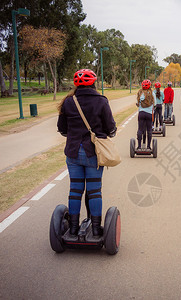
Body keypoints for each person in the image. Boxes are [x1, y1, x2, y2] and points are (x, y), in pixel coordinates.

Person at [57, 69, 117, 237]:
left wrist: (74, 133)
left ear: (76, 84)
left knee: (75, 190)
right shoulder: (101, 101)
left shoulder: (68, 101)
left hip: (73, 153)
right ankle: (97, 229)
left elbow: (62, 129)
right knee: (94, 190)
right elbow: (110, 127)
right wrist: (107, 132)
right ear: (94, 83)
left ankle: (74, 228)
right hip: (93, 153)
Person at [136, 79, 154, 149]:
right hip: (149, 114)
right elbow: (154, 104)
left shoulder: (140, 93)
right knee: (149, 130)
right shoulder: (152, 93)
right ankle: (148, 146)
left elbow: (138, 104)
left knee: (140, 129)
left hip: (141, 113)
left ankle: (139, 146)